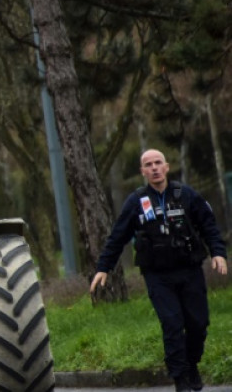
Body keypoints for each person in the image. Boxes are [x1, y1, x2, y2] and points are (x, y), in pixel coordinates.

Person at [90, 149, 227, 392]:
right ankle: (180, 378)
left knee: (198, 323)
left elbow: (208, 225)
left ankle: (191, 364)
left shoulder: (185, 195)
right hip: (158, 275)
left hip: (189, 270)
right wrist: (104, 268)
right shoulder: (136, 201)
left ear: (166, 167)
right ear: (142, 171)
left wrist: (218, 253)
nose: (153, 168)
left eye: (157, 163)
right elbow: (117, 236)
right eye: (148, 164)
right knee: (172, 323)